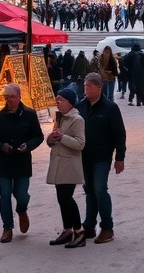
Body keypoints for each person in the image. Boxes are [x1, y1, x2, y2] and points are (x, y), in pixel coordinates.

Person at [0, 82, 44, 242]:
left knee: (22, 194)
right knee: (4, 195)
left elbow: (38, 136)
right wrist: (1, 146)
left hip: (22, 161)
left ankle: (22, 210)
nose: (9, 100)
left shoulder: (30, 115)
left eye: (12, 97)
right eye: (6, 97)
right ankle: (7, 228)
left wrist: (28, 146)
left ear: (19, 97)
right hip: (4, 162)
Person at [77, 72, 126, 244]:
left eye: (90, 86)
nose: (86, 89)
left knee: (99, 189)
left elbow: (119, 134)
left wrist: (120, 157)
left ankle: (107, 227)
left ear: (99, 88)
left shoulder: (110, 108)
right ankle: (89, 225)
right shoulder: (80, 106)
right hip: (83, 156)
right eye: (85, 85)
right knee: (89, 190)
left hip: (102, 156)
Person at [45, 86, 86, 248]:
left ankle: (79, 231)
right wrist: (51, 138)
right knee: (61, 198)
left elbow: (80, 143)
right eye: (57, 99)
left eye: (60, 100)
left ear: (70, 103)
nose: (57, 102)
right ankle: (67, 230)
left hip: (69, 164)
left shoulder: (77, 120)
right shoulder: (60, 117)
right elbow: (51, 142)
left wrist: (62, 137)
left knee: (67, 198)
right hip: (58, 162)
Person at [124, 41, 144, 105]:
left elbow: (125, 65)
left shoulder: (129, 55)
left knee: (132, 88)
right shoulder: (143, 55)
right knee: (142, 88)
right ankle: (142, 100)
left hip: (132, 74)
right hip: (142, 74)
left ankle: (131, 100)